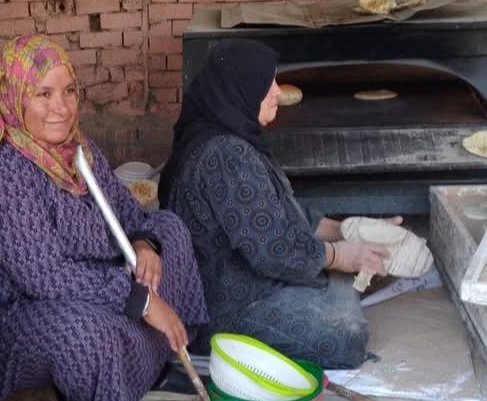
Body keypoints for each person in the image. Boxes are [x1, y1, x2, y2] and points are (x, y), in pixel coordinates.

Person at [0, 34, 208, 401]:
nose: (60, 108)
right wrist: (143, 301)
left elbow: (126, 209)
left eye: (69, 92)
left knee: (170, 230)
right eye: (43, 94)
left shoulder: (76, 149)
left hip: (85, 279)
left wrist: (143, 243)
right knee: (86, 333)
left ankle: (155, 362)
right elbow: (45, 278)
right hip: (9, 319)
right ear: (13, 97)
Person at [158, 40, 397, 369]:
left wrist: (351, 228)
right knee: (347, 336)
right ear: (240, 89)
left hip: (252, 282)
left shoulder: (230, 136)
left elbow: (283, 212)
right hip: (228, 306)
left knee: (339, 276)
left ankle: (335, 283)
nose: (276, 92)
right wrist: (341, 255)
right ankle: (335, 286)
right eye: (266, 83)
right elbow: (272, 249)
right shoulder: (226, 155)